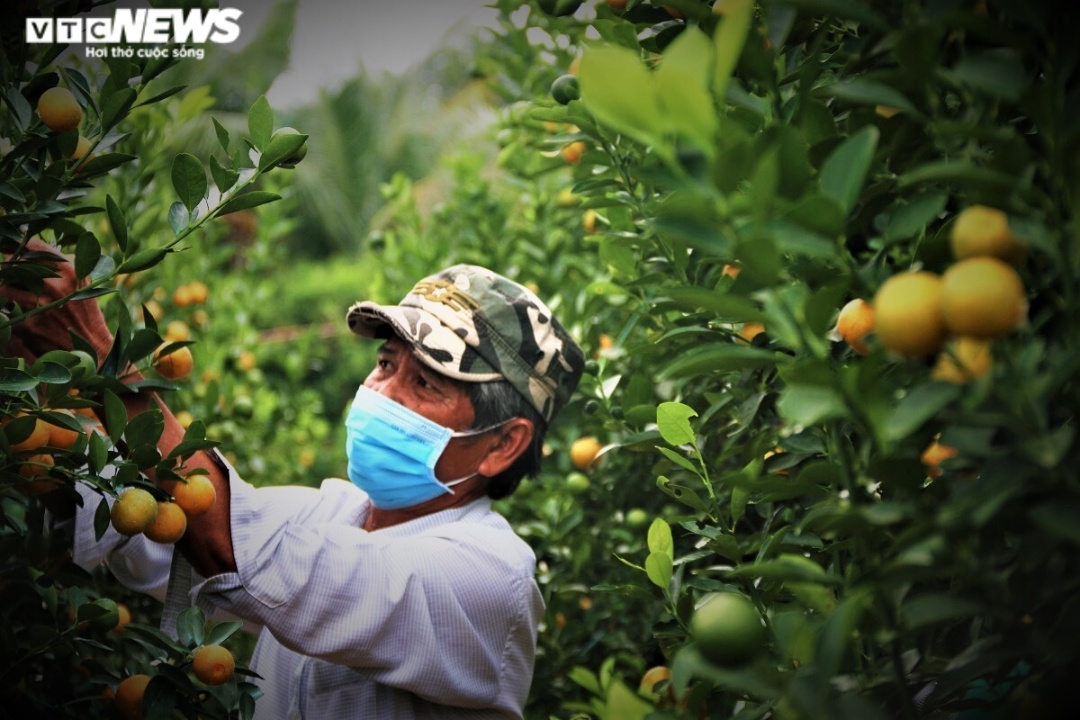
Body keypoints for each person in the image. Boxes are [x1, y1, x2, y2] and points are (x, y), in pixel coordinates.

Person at [2, 242, 585, 719]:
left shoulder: (489, 578)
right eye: (385, 364)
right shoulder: (333, 514)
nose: (381, 394)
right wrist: (27, 420)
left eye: (427, 384)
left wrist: (105, 361)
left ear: (502, 444)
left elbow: (230, 541)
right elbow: (159, 525)